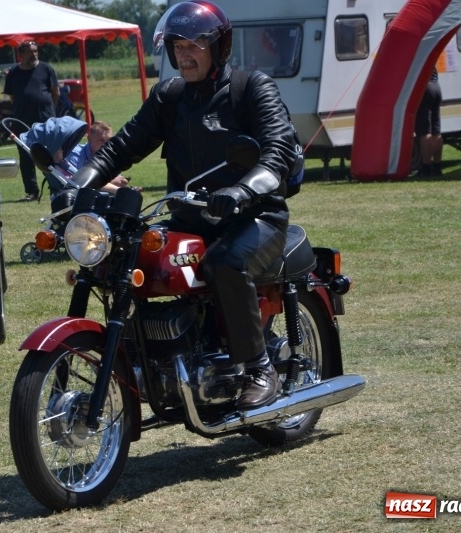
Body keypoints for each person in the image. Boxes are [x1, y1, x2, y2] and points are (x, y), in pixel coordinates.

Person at [69, 1, 300, 409]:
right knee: (129, 260)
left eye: (195, 44)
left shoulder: (252, 87)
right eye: (178, 45)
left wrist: (242, 191)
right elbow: (122, 147)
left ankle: (259, 366)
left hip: (254, 217)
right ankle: (154, 362)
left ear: (218, 46)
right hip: (192, 220)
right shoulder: (170, 97)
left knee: (224, 262)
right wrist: (80, 182)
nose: (184, 54)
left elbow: (277, 152)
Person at [3, 40, 60, 201]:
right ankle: (32, 192)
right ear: (21, 55)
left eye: (35, 51)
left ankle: (56, 186)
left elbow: (56, 92)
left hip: (45, 120)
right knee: (26, 157)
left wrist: (50, 111)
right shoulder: (14, 73)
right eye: (30, 52)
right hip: (23, 121)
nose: (34, 54)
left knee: (50, 154)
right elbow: (11, 96)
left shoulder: (46, 68)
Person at [66, 121, 132, 192]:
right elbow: (82, 182)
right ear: (89, 138)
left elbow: (117, 179)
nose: (106, 144)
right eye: (101, 140)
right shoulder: (75, 154)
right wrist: (111, 182)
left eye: (109, 140)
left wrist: (121, 181)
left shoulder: (110, 154)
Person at [415, 66, 443, 177]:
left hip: (424, 88)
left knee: (424, 132)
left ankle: (426, 168)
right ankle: (437, 167)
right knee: (436, 132)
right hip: (436, 86)